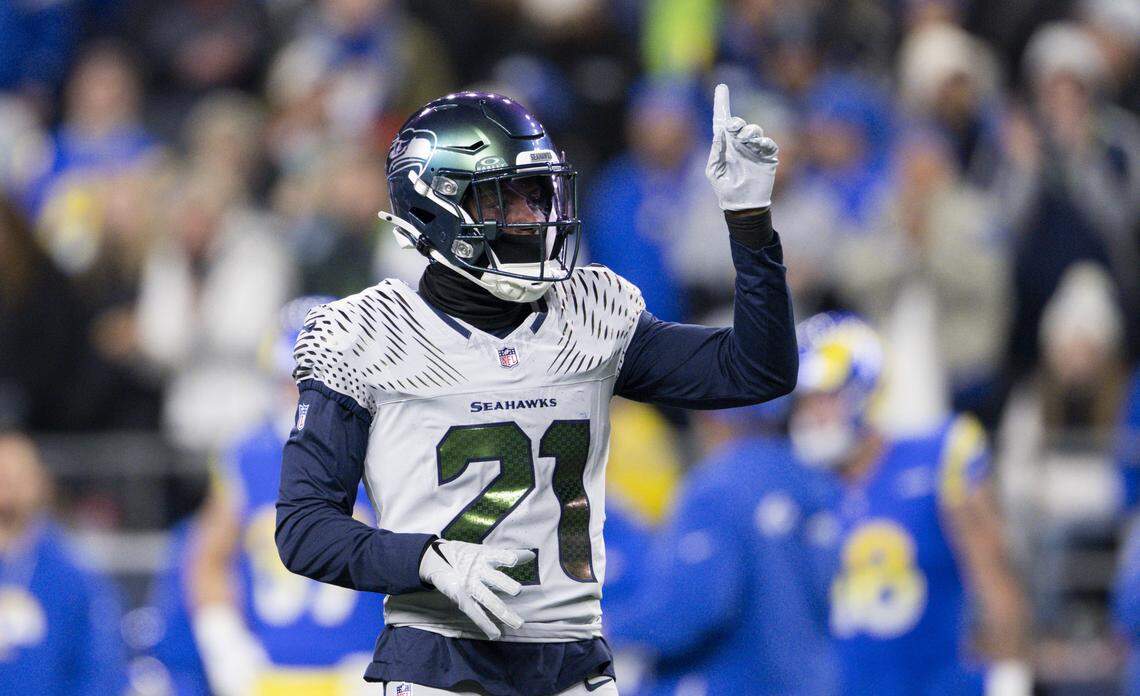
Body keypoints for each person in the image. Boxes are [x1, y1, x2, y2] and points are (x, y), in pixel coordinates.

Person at [275, 86, 798, 696]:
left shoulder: (593, 312)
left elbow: (757, 372)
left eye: (539, 192)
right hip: (436, 665)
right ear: (435, 209)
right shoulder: (367, 334)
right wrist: (426, 559)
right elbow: (305, 527)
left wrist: (750, 222)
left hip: (574, 662)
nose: (535, 216)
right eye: (507, 197)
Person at [790, 312, 1030, 696]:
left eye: (824, 396)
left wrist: (1009, 678)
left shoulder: (939, 456)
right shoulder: (797, 487)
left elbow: (994, 578)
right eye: (804, 401)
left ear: (862, 389)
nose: (810, 414)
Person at [173, 296, 384, 696]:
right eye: (295, 381)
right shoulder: (247, 453)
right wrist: (226, 643)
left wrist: (396, 646)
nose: (305, 396)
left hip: (360, 667)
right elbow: (209, 559)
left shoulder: (385, 449)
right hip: (269, 673)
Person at [604, 400, 840, 696]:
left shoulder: (717, 487)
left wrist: (605, 631)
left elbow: (690, 610)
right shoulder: (817, 480)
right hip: (812, 682)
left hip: (739, 682)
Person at [0, 433, 127, 695]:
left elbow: (99, 669)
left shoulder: (75, 574)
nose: (6, 485)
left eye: (17, 475)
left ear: (41, 483)